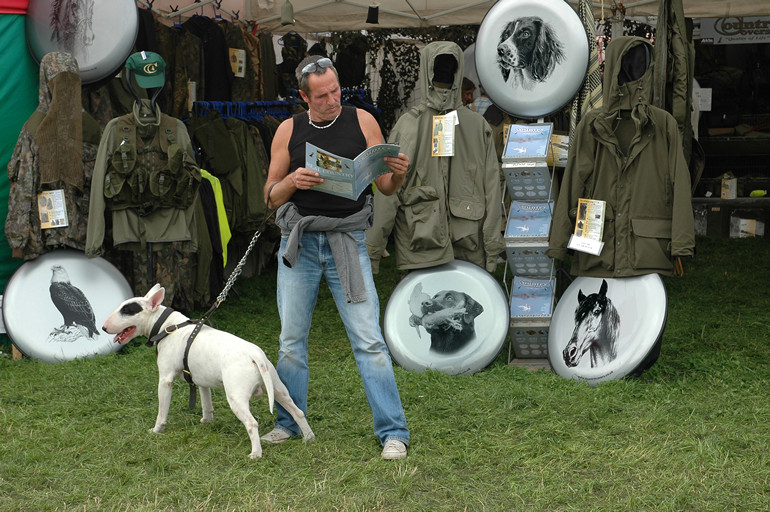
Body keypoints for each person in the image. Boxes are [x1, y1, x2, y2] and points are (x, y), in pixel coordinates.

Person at [261, 55, 411, 460]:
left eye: (336, 92)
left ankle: (393, 432)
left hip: (348, 242)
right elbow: (270, 197)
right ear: (303, 96)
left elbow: (385, 187)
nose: (331, 100)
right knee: (291, 342)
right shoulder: (287, 130)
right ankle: (288, 423)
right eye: (322, 96)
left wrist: (396, 172)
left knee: (369, 341)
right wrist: (292, 181)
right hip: (301, 243)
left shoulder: (362, 121)